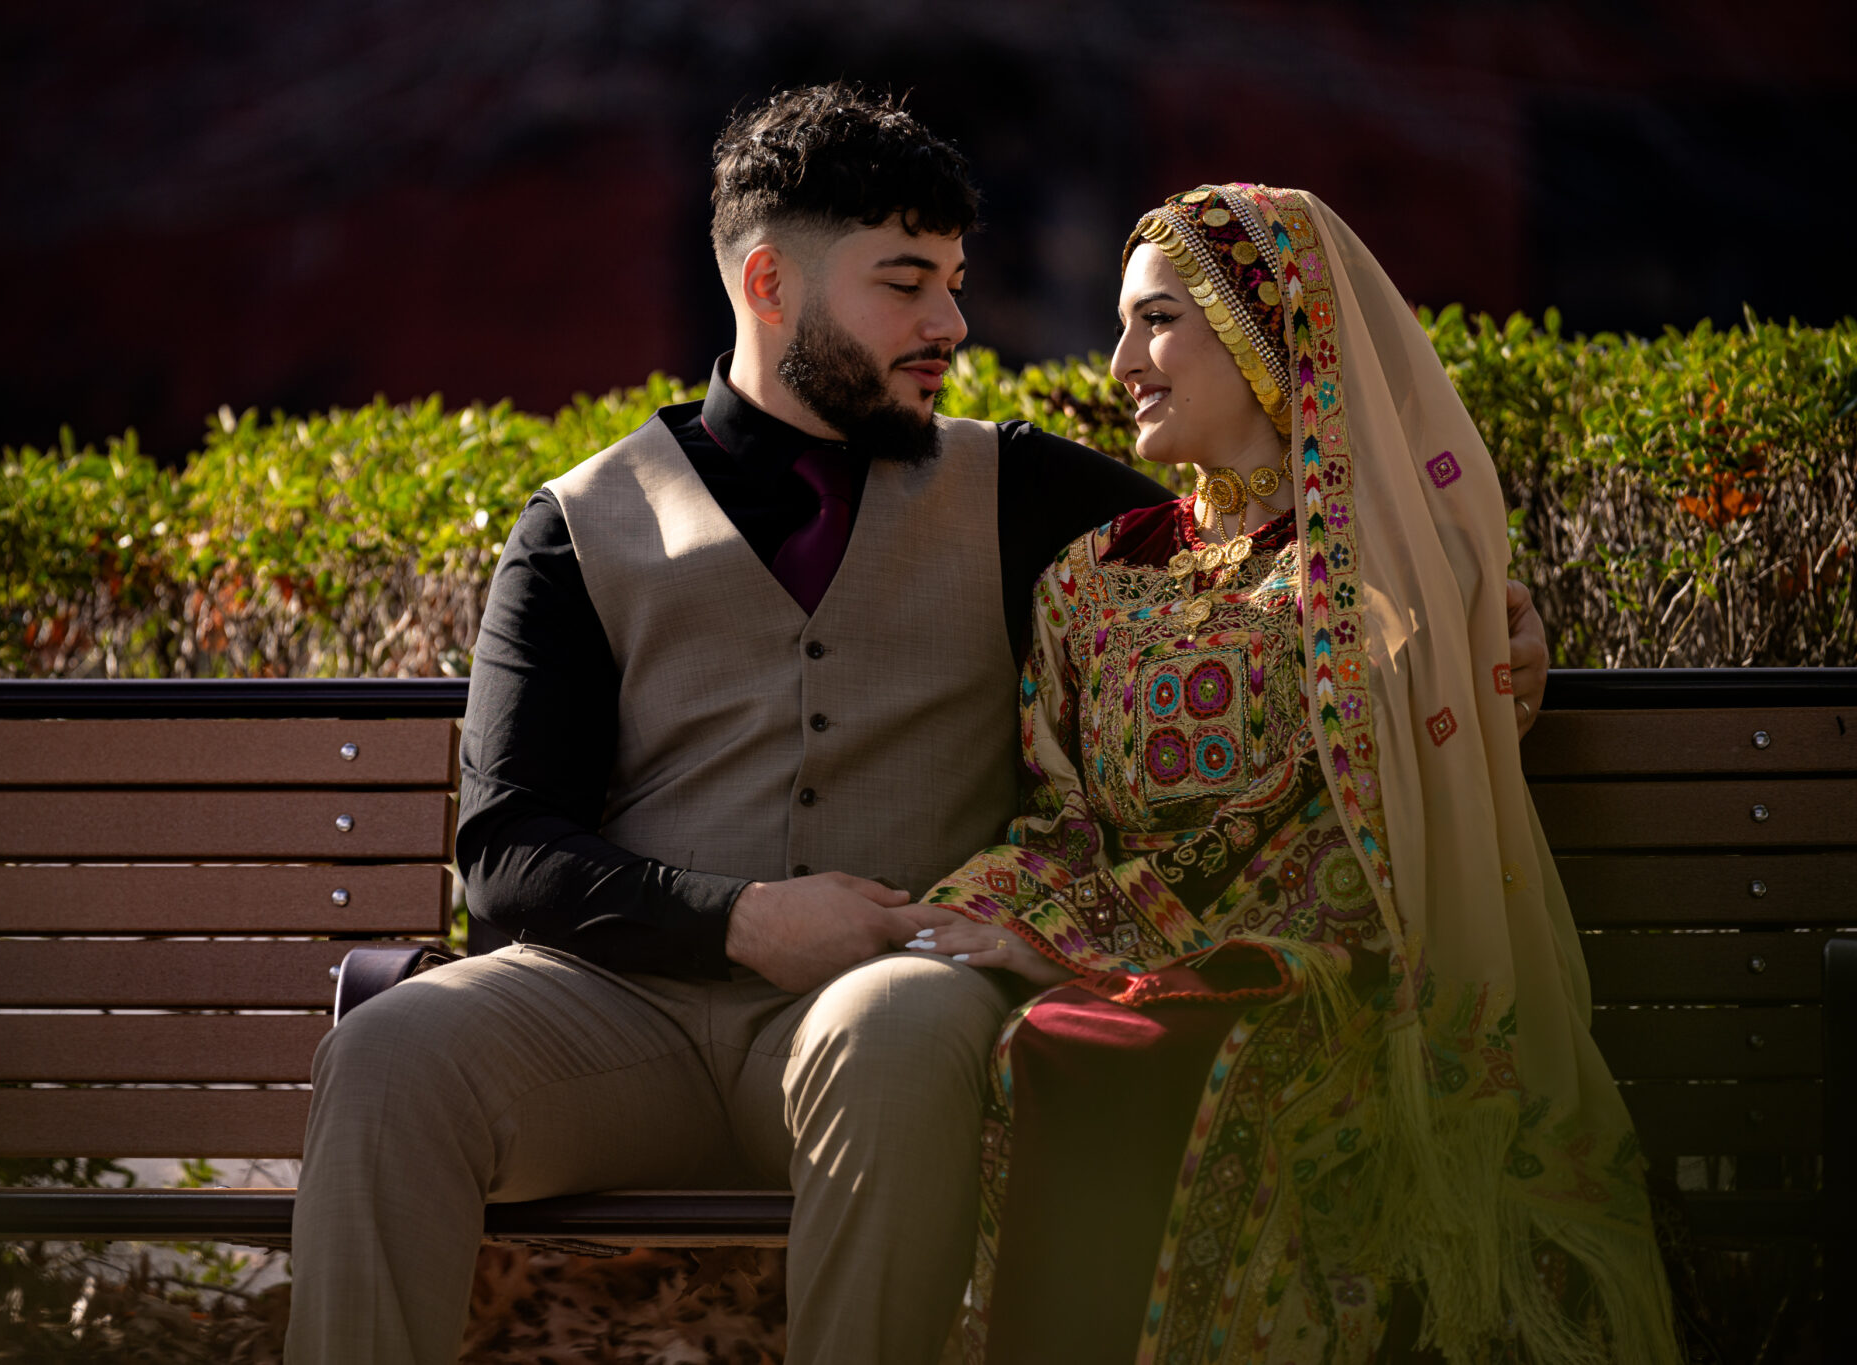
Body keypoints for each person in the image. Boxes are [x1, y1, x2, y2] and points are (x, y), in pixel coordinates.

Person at [284, 87, 1549, 1364]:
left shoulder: (1019, 490)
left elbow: (1283, 534)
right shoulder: (575, 524)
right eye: (905, 285)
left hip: (887, 1000)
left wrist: (1477, 602)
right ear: (768, 283)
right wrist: (738, 919)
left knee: (889, 1027)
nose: (950, 323)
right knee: (391, 1052)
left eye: (952, 280)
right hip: (618, 1023)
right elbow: (506, 857)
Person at [911, 184, 1676, 1364]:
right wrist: (1013, 922)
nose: (1119, 362)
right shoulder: (1091, 576)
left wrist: (1116, 955)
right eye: (1122, 324)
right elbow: (1060, 813)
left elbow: (1369, 844)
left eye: (1157, 321)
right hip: (1135, 979)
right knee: (1042, 1044)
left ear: (1263, 335)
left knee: (1123, 1056)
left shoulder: (1386, 575)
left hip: (1341, 995)